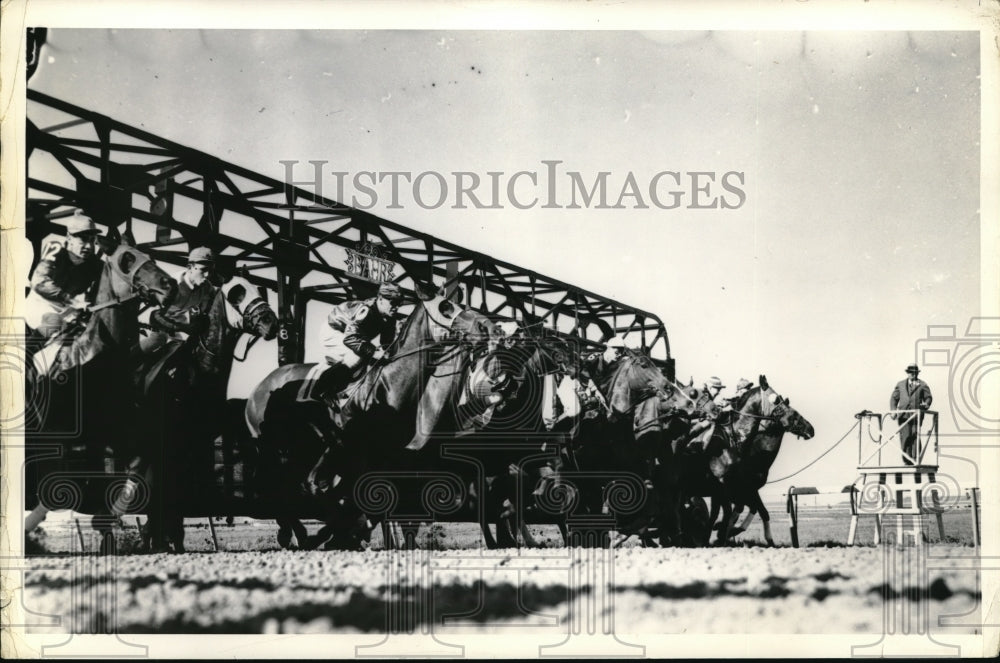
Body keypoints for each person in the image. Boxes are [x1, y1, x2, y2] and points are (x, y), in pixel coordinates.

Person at [310, 282, 404, 405]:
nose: (396, 307)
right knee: (356, 356)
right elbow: (350, 339)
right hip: (334, 330)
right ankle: (321, 390)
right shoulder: (365, 310)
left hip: (352, 335)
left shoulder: (389, 317)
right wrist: (373, 352)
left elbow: (386, 346)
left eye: (399, 304)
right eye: (393, 303)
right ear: (380, 299)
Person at [25, 210, 103, 340]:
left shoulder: (96, 265)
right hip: (41, 304)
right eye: (83, 239)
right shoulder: (55, 249)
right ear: (68, 237)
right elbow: (39, 282)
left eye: (92, 240)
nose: (89, 246)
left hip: (68, 309)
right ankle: (26, 357)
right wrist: (70, 299)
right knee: (54, 323)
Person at [142, 247, 219, 353]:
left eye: (210, 271)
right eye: (203, 270)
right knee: (158, 340)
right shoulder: (173, 285)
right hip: (152, 323)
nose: (207, 275)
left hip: (179, 326)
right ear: (190, 267)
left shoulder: (207, 288)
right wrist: (183, 328)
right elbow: (155, 316)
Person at [889, 363, 933, 465]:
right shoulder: (900, 384)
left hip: (916, 416)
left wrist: (926, 404)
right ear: (907, 373)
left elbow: (928, 397)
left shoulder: (923, 385)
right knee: (905, 437)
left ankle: (916, 459)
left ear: (917, 373)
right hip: (903, 415)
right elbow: (894, 398)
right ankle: (907, 460)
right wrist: (893, 411)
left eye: (914, 373)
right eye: (910, 372)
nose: (912, 374)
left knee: (915, 435)